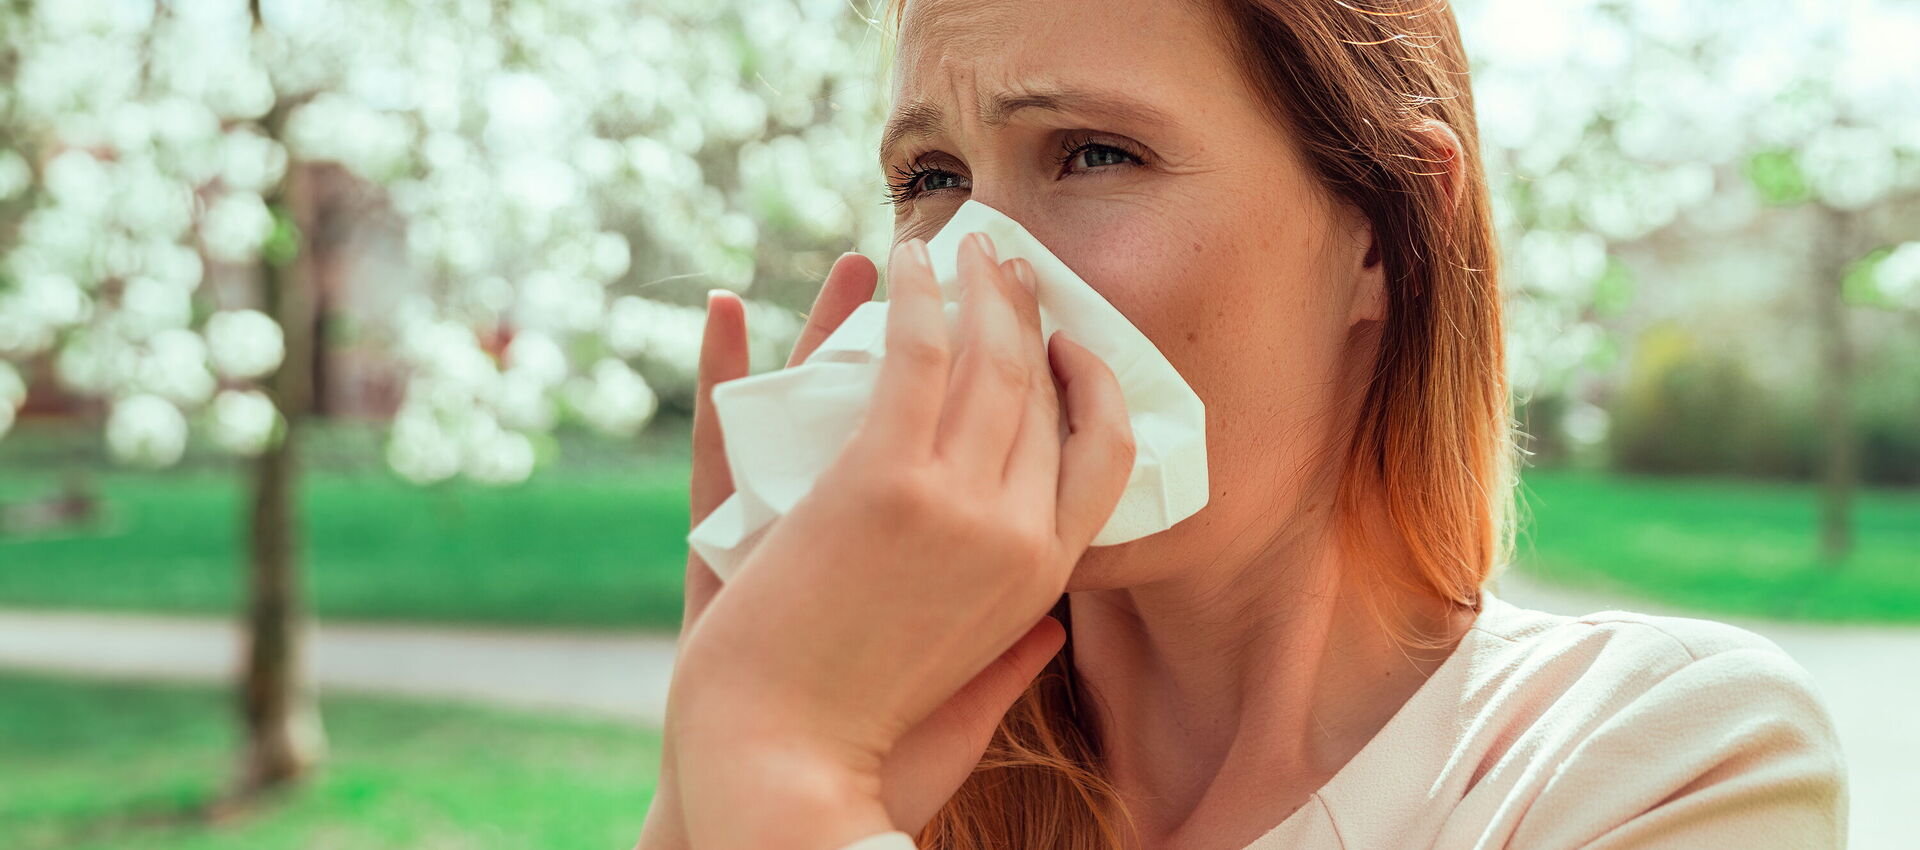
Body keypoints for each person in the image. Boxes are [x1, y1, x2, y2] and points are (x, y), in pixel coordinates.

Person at [636, 0, 1849, 847]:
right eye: (932, 179)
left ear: (1385, 229)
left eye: (1093, 152)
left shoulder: (1653, 755)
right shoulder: (895, 763)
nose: (966, 272)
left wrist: (776, 776)